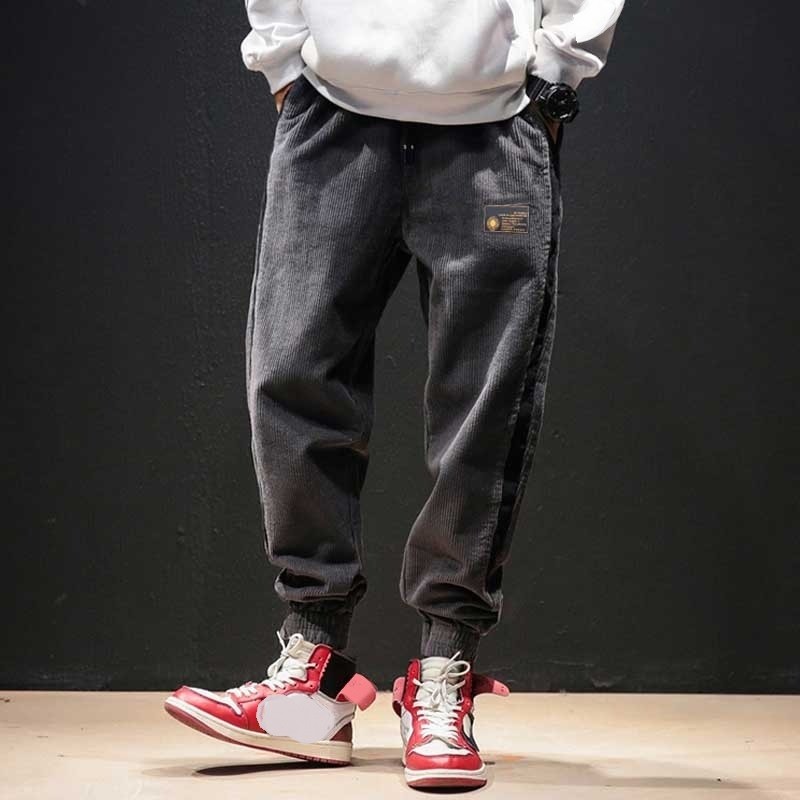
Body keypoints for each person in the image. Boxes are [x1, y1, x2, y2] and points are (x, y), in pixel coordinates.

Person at [165, 0, 625, 789]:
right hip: (332, 108)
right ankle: (310, 679)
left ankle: (444, 672)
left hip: (494, 119)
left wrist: (557, 72)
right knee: (291, 377)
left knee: (486, 406)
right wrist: (282, 57)